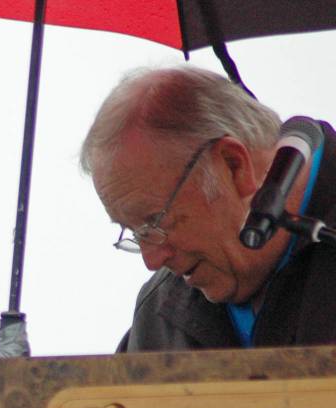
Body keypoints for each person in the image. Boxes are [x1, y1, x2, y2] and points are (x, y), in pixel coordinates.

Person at [80, 66, 336, 352]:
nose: (151, 261)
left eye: (154, 223)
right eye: (137, 235)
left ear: (233, 165)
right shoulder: (159, 316)